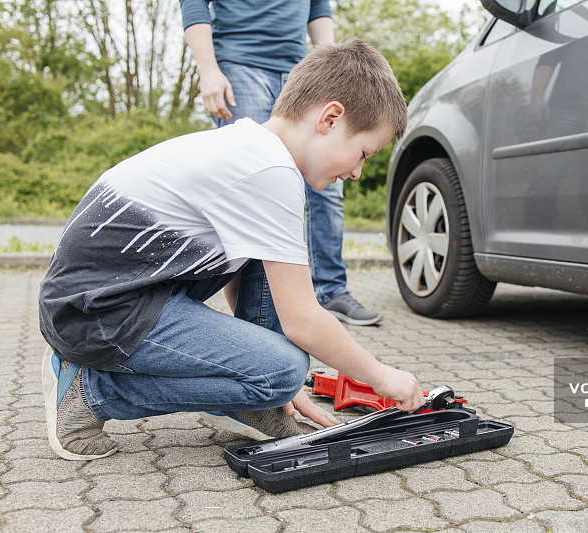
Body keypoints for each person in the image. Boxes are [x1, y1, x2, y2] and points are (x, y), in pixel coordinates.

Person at [39, 38, 424, 461]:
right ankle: (91, 392)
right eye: (363, 153)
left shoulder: (250, 147)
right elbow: (302, 321)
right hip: (95, 314)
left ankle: (257, 401)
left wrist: (257, 374)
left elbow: (247, 271)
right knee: (285, 369)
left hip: (101, 299)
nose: (356, 172)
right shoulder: (270, 171)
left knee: (274, 346)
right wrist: (382, 377)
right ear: (330, 119)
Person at [180, 0, 382, 326]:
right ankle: (258, 318)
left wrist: (335, 73)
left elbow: (318, 8)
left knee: (329, 190)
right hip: (241, 64)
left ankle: (331, 289)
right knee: (256, 188)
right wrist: (208, 70)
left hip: (301, 69)